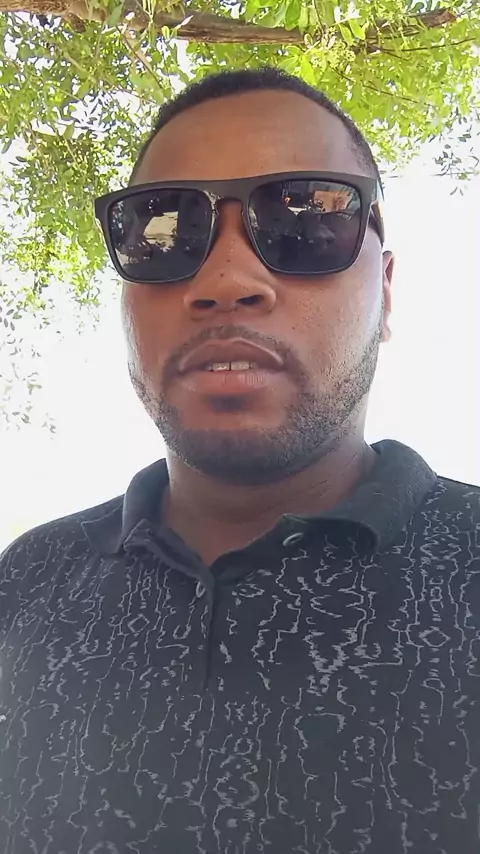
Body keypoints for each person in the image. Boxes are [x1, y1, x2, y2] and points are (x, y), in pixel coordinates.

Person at [1, 67, 479, 854]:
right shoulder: (27, 586)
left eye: (305, 220)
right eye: (162, 229)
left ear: (387, 291)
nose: (226, 281)